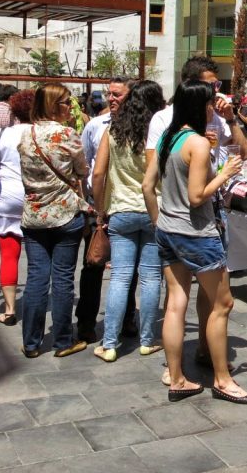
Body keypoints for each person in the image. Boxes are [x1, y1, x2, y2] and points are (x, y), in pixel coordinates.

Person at [142, 80, 247, 404]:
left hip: (167, 229)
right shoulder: (198, 143)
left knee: (176, 302)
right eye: (209, 105)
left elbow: (148, 187)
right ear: (199, 107)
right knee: (222, 304)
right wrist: (226, 172)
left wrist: (158, 221)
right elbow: (196, 197)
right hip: (196, 233)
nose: (212, 110)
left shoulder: (169, 138)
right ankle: (223, 379)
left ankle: (177, 378)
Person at [92, 80, 167, 362]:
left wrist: (100, 209)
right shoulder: (159, 133)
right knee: (150, 277)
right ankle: (148, 339)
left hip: (121, 210)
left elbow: (98, 174)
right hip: (154, 211)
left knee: (120, 278)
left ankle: (110, 343)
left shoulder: (112, 131)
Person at [17, 84, 92, 358]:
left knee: (36, 277)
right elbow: (82, 170)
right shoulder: (67, 134)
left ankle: (31, 342)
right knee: (62, 279)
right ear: (52, 105)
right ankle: (62, 341)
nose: (69, 107)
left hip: (34, 215)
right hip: (64, 214)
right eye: (64, 102)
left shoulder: (27, 134)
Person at [76, 76, 137, 343]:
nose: (111, 99)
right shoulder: (95, 126)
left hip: (125, 206)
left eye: (117, 95)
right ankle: (86, 323)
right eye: (109, 94)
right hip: (97, 206)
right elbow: (87, 166)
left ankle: (126, 320)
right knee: (93, 264)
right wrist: (92, 205)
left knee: (128, 268)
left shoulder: (141, 127)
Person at [0, 89, 34, 325]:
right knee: (38, 257)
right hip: (35, 198)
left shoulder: (2, 134)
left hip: (7, 197)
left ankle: (10, 309)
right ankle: (36, 305)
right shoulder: (39, 132)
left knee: (8, 255)